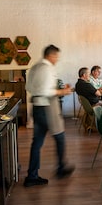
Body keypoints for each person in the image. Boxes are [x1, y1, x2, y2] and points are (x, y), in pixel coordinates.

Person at [24, 44, 74, 187]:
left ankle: (32, 176)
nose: (57, 59)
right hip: (46, 108)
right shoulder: (46, 69)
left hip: (37, 107)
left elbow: (29, 88)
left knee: (37, 143)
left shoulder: (34, 67)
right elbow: (46, 91)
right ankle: (60, 168)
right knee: (60, 137)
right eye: (56, 56)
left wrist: (58, 90)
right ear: (50, 55)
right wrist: (62, 92)